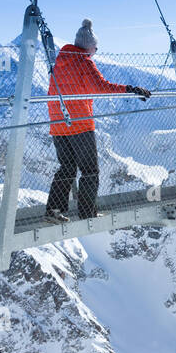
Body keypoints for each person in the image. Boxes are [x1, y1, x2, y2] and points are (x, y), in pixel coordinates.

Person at [45, 19, 151, 223]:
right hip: (80, 125)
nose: (96, 49)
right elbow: (101, 86)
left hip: (58, 124)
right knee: (90, 170)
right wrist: (131, 89)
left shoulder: (59, 62)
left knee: (67, 167)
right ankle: (87, 213)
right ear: (88, 46)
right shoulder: (84, 62)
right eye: (95, 46)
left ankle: (53, 210)